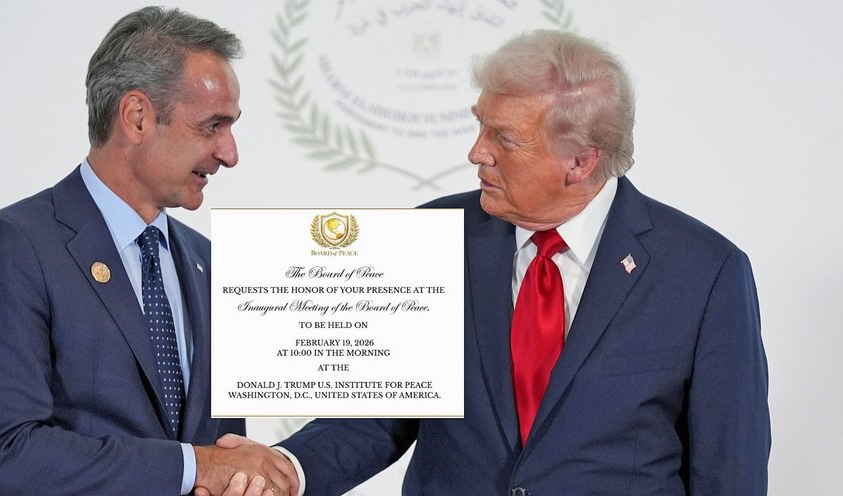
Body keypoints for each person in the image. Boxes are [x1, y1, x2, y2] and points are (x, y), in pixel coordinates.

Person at [230, 30, 770, 495]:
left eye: (504, 139)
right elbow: (373, 416)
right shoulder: (430, 235)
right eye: (481, 125)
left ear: (580, 162)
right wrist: (286, 469)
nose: (477, 152)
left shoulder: (704, 272)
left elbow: (729, 466)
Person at [0, 7, 296, 496]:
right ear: (137, 117)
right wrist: (194, 466)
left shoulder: (211, 264)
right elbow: (7, 457)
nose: (229, 153)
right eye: (212, 125)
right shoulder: (11, 247)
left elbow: (224, 457)